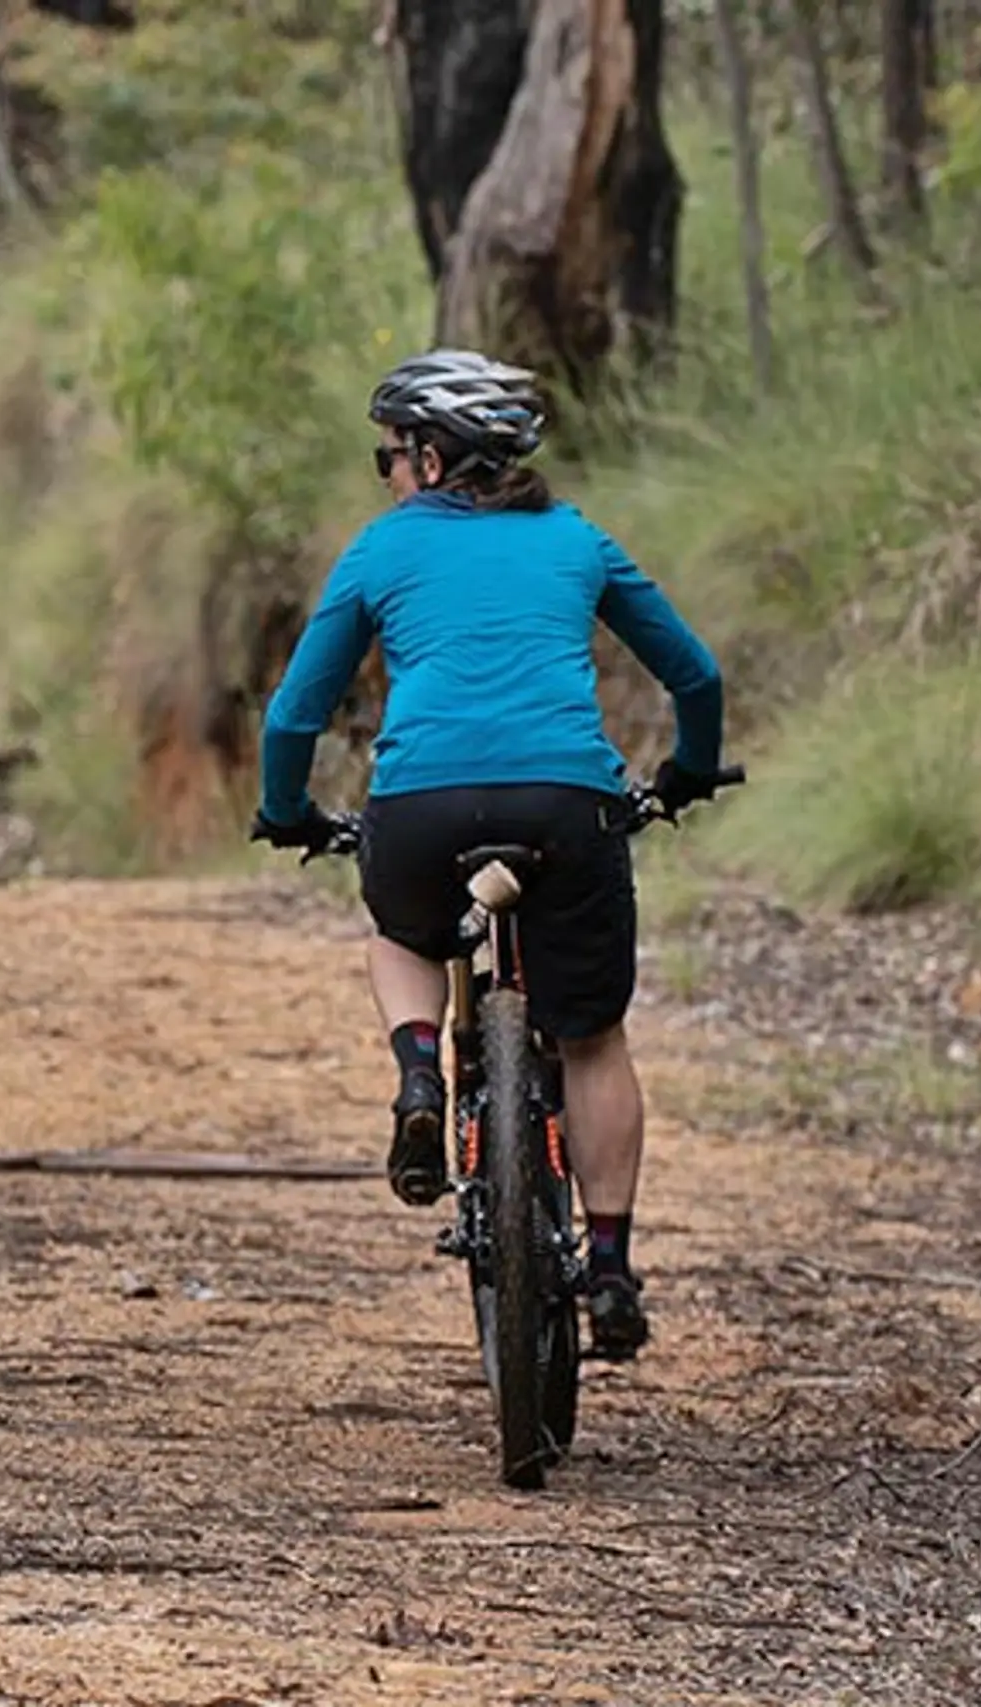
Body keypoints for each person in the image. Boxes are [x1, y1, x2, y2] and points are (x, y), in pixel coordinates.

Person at [251, 349, 726, 1362]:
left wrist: (285, 811)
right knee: (590, 1038)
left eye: (388, 455)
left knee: (402, 934)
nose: (385, 473)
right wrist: (687, 771)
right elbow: (694, 676)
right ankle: (608, 1267)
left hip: (419, 809)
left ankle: (420, 1073)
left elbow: (293, 714)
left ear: (429, 459)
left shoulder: (380, 550)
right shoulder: (576, 539)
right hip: (568, 806)